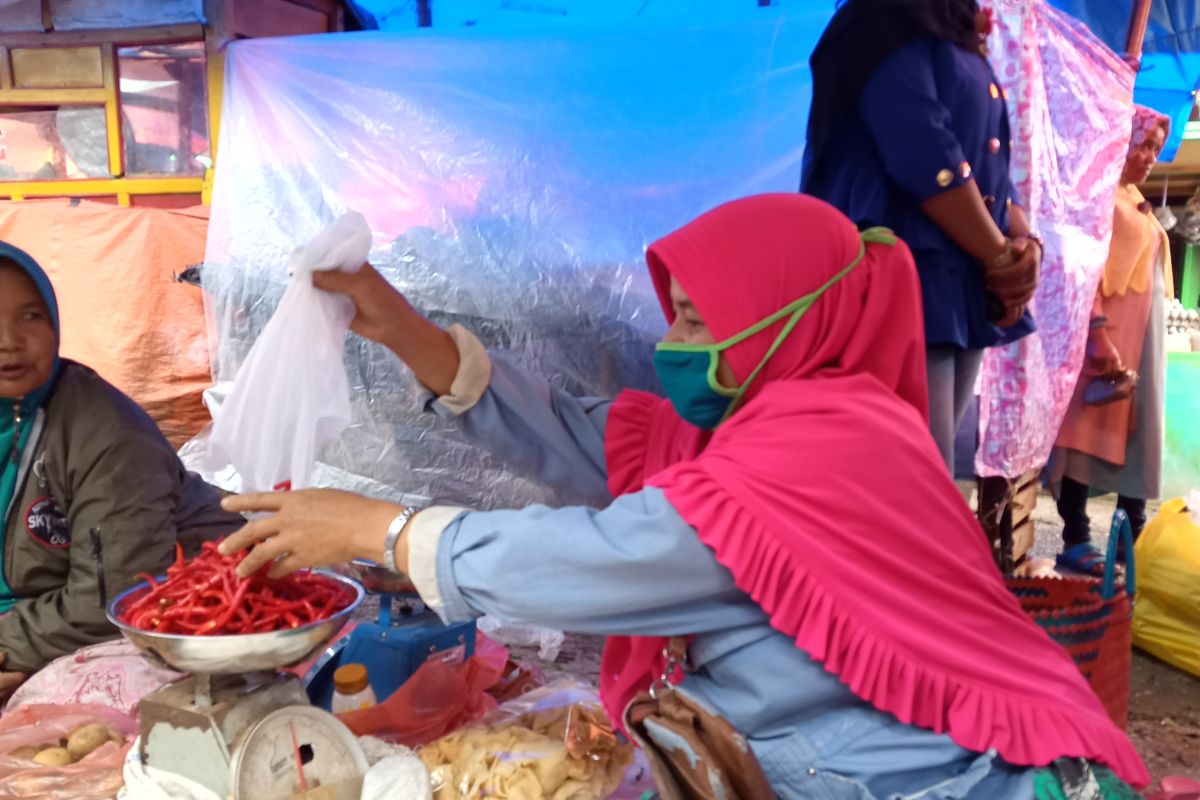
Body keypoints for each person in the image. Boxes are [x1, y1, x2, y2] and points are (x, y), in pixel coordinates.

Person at [222, 195, 1146, 798]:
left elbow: (609, 555)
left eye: (701, 320)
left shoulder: (828, 445)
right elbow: (587, 436)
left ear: (787, 315)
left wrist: (385, 530)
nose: (675, 344)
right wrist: (407, 331)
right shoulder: (763, 419)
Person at [800, 0, 1041, 475]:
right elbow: (923, 146)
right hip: (899, 279)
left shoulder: (951, 27)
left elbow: (985, 159)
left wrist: (1024, 244)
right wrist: (999, 257)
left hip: (960, 278)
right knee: (906, 478)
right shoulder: (879, 20)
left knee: (929, 469)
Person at [0, 242, 242, 696]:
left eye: (31, 316)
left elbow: (109, 601)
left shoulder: (107, 435)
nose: (9, 340)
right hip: (39, 616)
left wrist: (10, 646)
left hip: (166, 610)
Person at [1050, 106, 1173, 574]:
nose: (1148, 157)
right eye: (1142, 145)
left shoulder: (1132, 195)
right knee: (1085, 431)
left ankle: (1131, 538)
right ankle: (1075, 538)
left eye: (1154, 149)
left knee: (1140, 435)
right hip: (1106, 337)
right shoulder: (1095, 196)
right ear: (1119, 142)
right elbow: (1085, 270)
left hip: (1143, 337)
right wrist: (1097, 332)